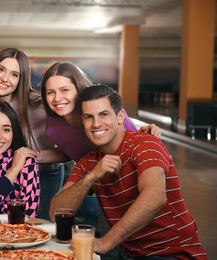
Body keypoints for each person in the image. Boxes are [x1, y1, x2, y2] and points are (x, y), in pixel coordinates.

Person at [49, 84, 207, 259]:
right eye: (89, 117)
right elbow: (56, 212)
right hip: (131, 255)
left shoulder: (145, 144)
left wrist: (105, 242)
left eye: (103, 114)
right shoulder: (89, 163)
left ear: (120, 116)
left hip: (173, 254)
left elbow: (155, 197)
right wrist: (91, 177)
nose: (96, 124)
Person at [41, 62, 161, 260]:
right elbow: (69, 152)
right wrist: (33, 155)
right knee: (111, 246)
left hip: (127, 182)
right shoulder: (54, 124)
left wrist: (147, 133)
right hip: (97, 182)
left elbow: (129, 134)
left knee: (135, 239)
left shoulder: (102, 112)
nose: (57, 98)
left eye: (64, 90)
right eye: (50, 92)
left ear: (79, 90)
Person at [0, 48, 66, 219]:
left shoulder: (40, 105)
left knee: (39, 224)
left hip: (44, 172)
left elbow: (67, 152)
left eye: (14, 74)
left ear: (22, 79)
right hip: (0, 171)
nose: (4, 78)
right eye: (1, 69)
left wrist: (28, 157)